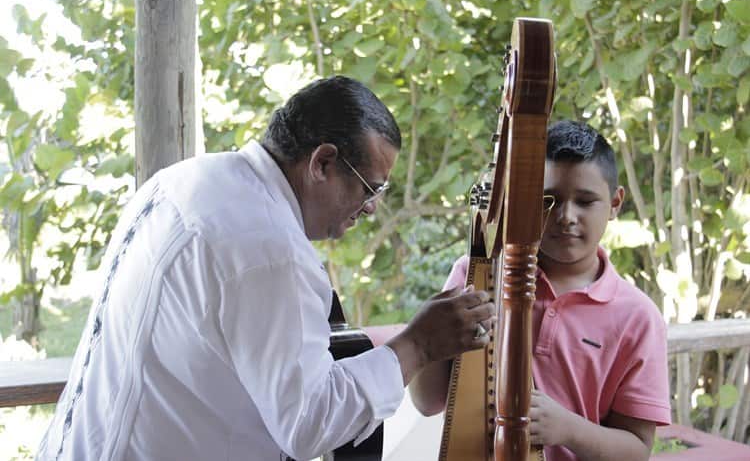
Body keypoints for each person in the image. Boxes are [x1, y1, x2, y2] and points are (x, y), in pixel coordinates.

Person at [37, 76, 495, 461]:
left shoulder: (187, 179)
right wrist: (417, 344)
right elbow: (309, 422)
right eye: (369, 188)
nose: (372, 208)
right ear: (323, 162)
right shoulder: (267, 248)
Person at [410, 120, 671, 460]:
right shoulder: (478, 274)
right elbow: (426, 401)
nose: (565, 216)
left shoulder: (638, 317)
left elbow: (637, 450)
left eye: (585, 201)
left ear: (616, 203)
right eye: (548, 200)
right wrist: (430, 328)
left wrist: (567, 428)